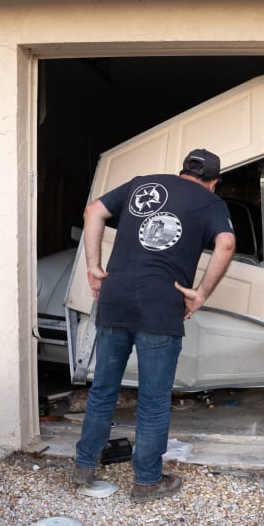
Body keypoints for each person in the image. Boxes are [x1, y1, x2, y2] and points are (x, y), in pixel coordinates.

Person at [73, 149, 236, 503]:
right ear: (214, 181)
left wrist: (93, 266)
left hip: (115, 296)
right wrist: (200, 294)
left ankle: (84, 466)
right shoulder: (211, 203)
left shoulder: (141, 185)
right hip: (161, 305)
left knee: (103, 389)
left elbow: (93, 211)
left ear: (182, 172)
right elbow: (226, 243)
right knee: (152, 398)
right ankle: (146, 481)